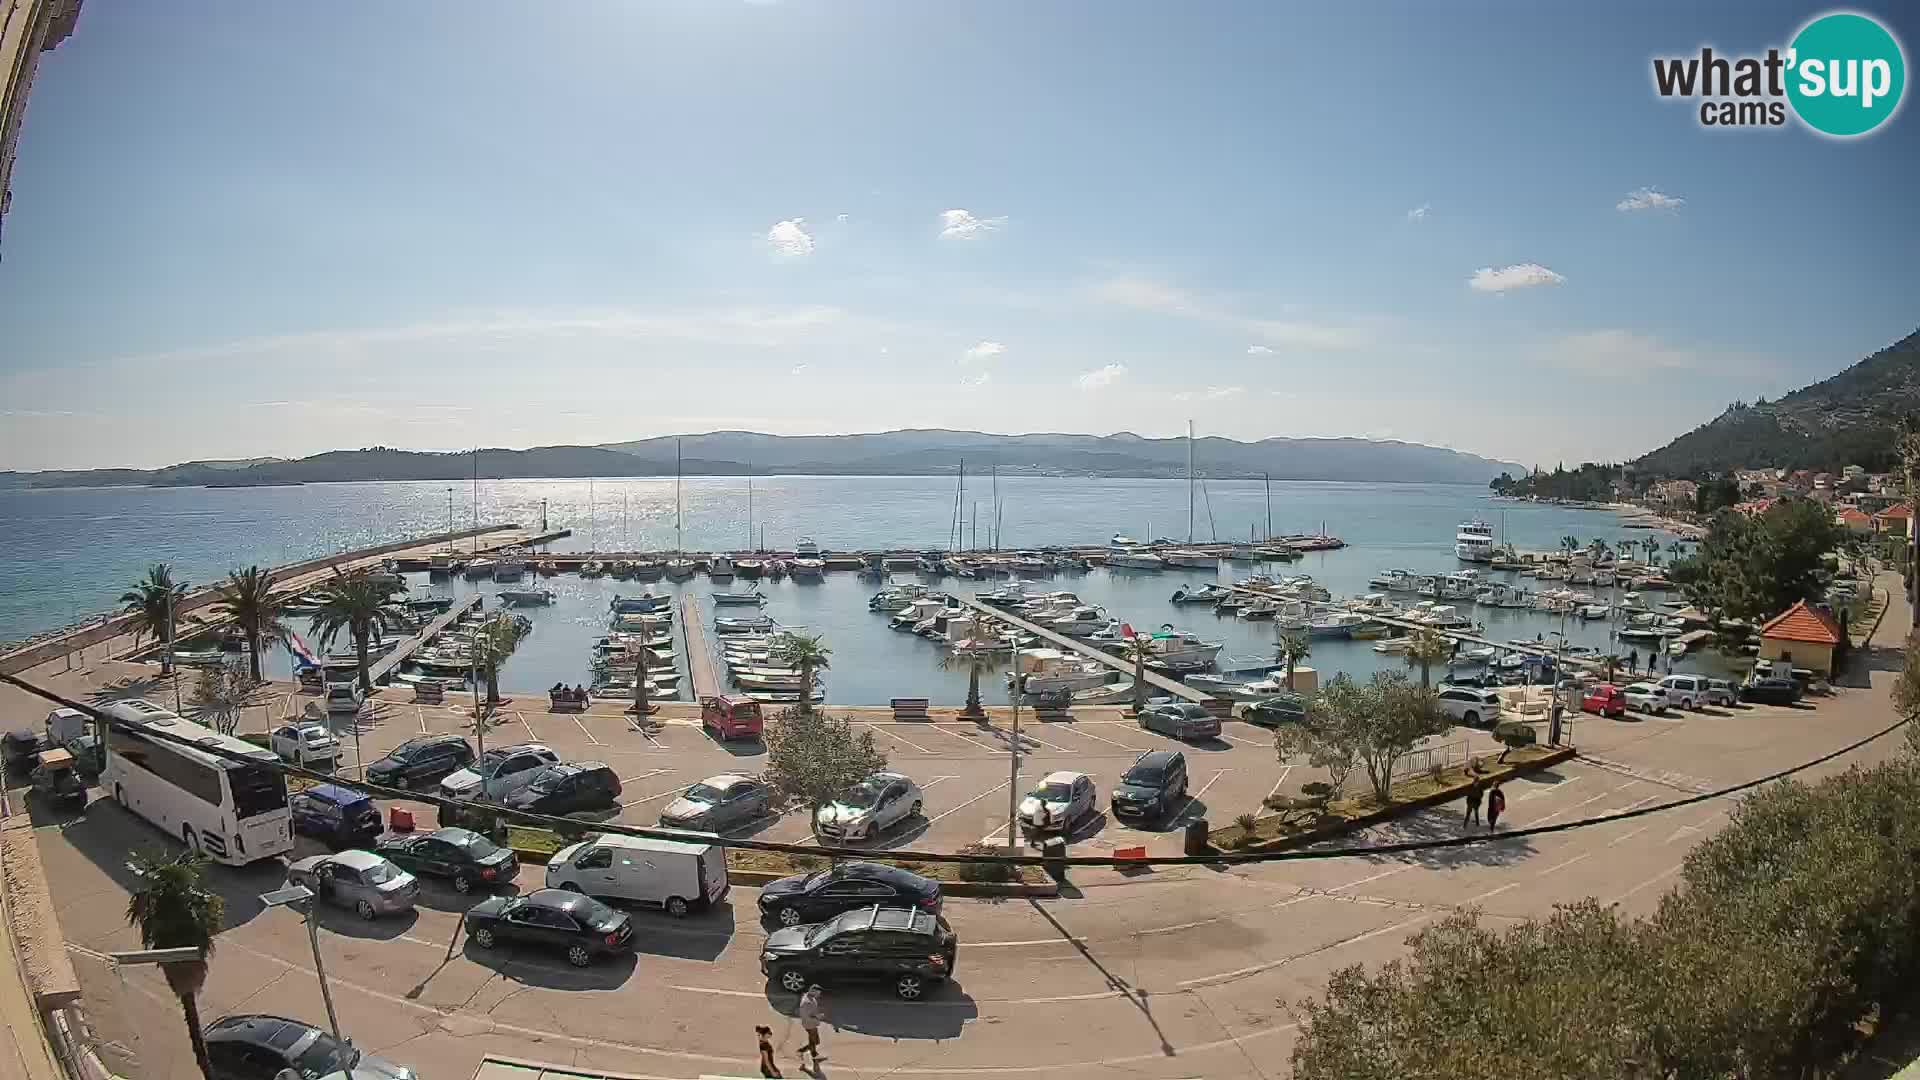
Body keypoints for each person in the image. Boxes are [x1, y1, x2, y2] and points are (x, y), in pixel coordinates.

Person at [797, 984, 826, 1067]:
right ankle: (802, 1052)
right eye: (818, 993)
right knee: (815, 1041)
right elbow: (806, 1017)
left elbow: (810, 1013)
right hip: (809, 1025)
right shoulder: (806, 1003)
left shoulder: (811, 998)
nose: (819, 995)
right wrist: (818, 1018)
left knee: (814, 1041)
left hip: (812, 1024)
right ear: (812, 991)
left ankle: (812, 1054)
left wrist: (817, 1016)